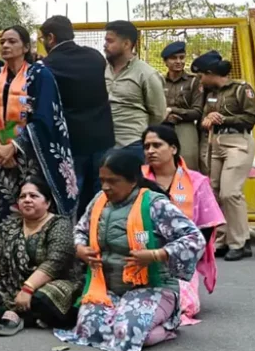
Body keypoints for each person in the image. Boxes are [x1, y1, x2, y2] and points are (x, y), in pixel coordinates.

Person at [54, 150, 204, 351]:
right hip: (108, 288)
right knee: (89, 329)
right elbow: (80, 229)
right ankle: (122, 313)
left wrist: (156, 254)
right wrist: (80, 248)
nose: (105, 187)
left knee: (125, 332)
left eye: (113, 181)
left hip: (152, 288)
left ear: (133, 180)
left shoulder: (155, 204)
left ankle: (168, 325)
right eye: (102, 180)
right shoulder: (99, 201)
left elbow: (194, 238)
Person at [0, 25, 78, 222]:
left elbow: (46, 117)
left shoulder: (40, 75)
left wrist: (13, 147)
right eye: (2, 42)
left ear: (26, 47)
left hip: (32, 156)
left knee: (34, 208)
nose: (5, 45)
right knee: (1, 212)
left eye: (12, 41)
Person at [0, 179, 80, 336]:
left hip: (48, 282)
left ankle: (22, 317)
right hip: (12, 284)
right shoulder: (10, 225)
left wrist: (28, 288)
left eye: (33, 196)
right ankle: (3, 310)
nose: (27, 200)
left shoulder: (59, 225)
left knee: (47, 296)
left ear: (47, 203)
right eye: (23, 196)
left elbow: (55, 262)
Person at [141, 125, 224, 324]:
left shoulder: (197, 181)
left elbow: (206, 226)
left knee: (187, 307)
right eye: (146, 146)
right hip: (142, 252)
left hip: (180, 257)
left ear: (174, 149)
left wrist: (186, 255)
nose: (150, 151)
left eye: (157, 145)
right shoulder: (136, 179)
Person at [40, 15, 115, 216]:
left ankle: (72, 240)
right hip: (103, 137)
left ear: (51, 37)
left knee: (74, 194)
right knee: (104, 192)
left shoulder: (48, 65)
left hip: (72, 143)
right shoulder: (95, 56)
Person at [193, 51, 255, 261]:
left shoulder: (241, 88)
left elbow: (250, 118)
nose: (200, 79)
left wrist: (222, 119)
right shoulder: (210, 92)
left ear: (211, 73)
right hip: (215, 143)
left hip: (237, 142)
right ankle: (222, 239)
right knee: (214, 192)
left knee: (231, 192)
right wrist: (207, 119)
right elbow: (203, 118)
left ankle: (241, 241)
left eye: (202, 75)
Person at [102, 20, 166, 156]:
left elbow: (158, 114)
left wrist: (141, 137)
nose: (105, 45)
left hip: (132, 145)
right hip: (103, 144)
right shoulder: (101, 70)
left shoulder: (147, 74)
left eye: (110, 41)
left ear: (126, 44)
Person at [160, 41, 203, 169]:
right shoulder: (159, 81)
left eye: (182, 57)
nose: (178, 61)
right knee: (161, 164)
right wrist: (165, 116)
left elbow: (197, 111)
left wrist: (172, 110)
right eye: (174, 58)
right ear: (165, 61)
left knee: (188, 163)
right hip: (163, 125)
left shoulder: (194, 81)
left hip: (185, 126)